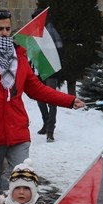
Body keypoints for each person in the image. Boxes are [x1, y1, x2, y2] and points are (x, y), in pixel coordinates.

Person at [0, 9, 85, 195]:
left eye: (7, 29)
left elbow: (37, 89)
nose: (4, 33)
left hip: (17, 129)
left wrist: (69, 100)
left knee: (20, 184)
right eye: (0, 29)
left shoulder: (19, 56)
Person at [31, 9, 65, 143]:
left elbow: (58, 49)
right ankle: (46, 123)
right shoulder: (34, 31)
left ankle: (50, 130)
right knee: (40, 98)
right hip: (39, 68)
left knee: (51, 99)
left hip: (51, 69)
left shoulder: (51, 31)